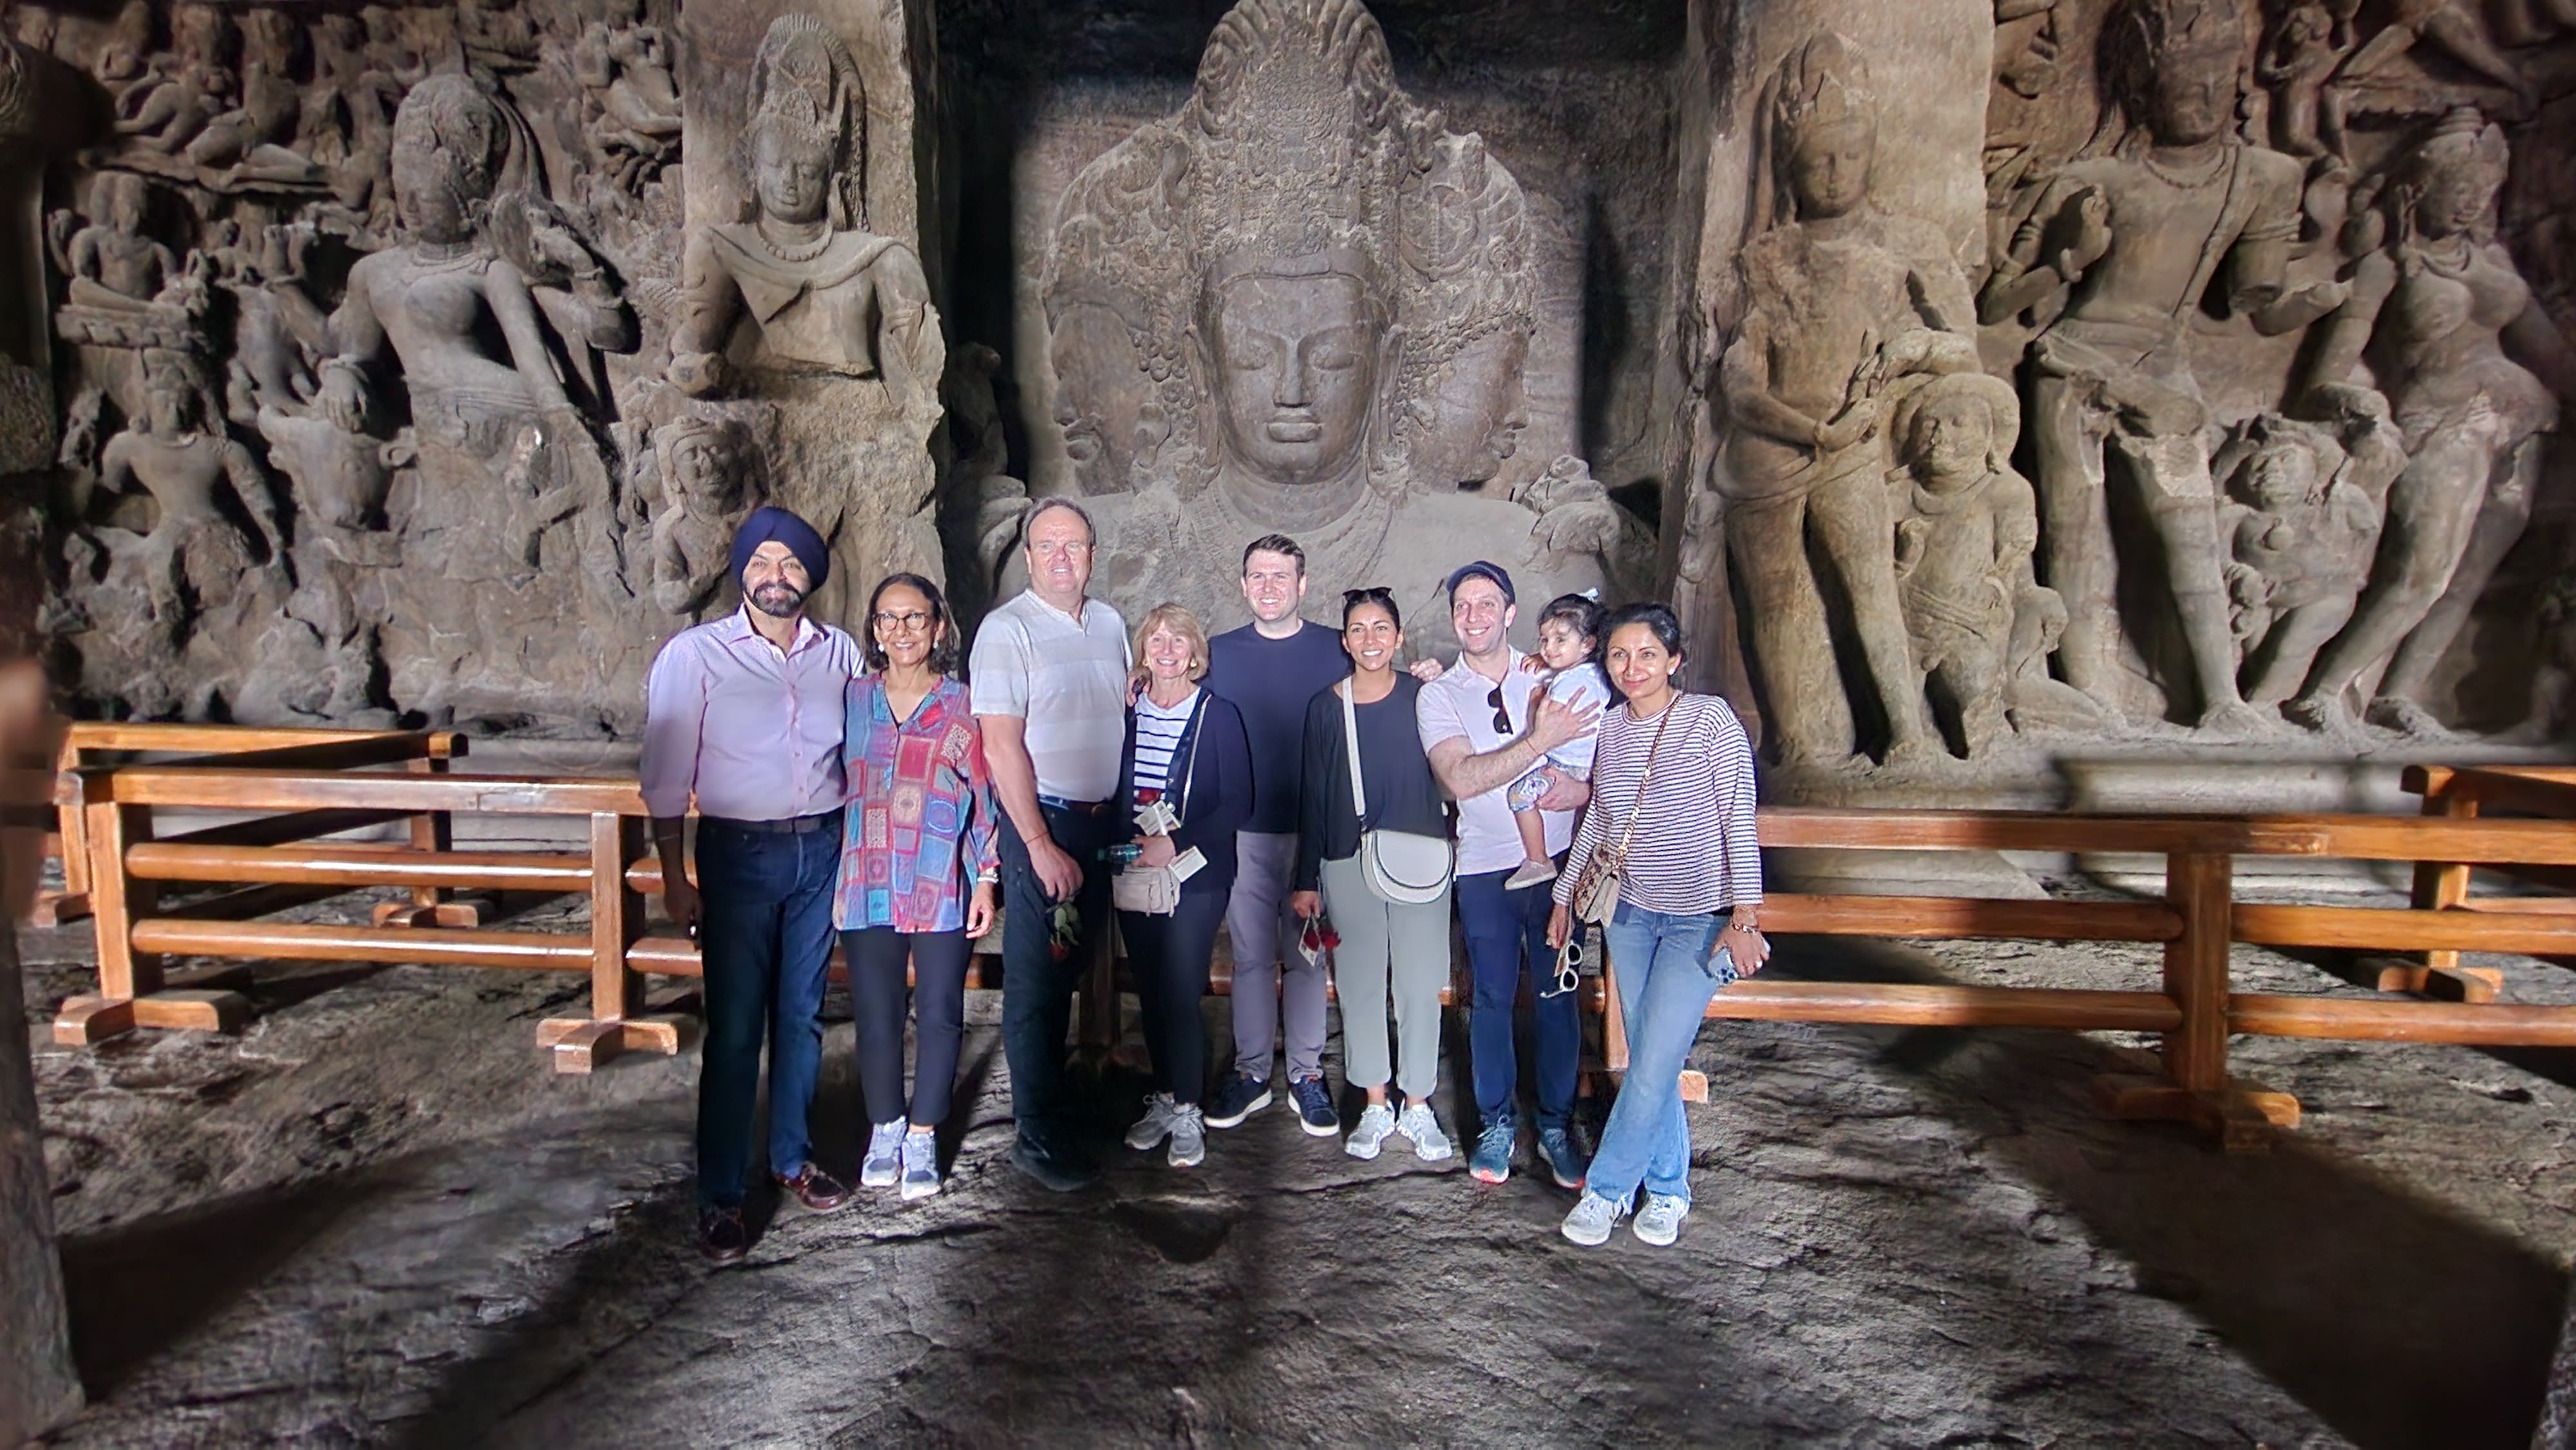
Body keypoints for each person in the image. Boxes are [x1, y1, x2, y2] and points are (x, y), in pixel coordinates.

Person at [641, 506, 860, 1263]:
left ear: (811, 579)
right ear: (742, 572)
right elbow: (665, 777)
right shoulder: (695, 655)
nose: (777, 576)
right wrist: (675, 872)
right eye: (763, 562)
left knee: (801, 1015)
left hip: (821, 847)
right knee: (735, 1029)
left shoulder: (840, 652)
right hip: (738, 852)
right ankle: (722, 1195)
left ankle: (792, 1158)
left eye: (793, 565)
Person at [1549, 604, 1768, 1249]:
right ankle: (1669, 1188)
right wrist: (1565, 896)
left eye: (1646, 654)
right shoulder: (1612, 728)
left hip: (1698, 916)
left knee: (1655, 1056)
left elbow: (1738, 816)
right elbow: (1600, 821)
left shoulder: (1709, 721)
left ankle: (1606, 1189)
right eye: (1619, 655)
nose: (1631, 667)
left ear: (1674, 660)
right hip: (1630, 911)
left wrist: (1745, 913)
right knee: (1653, 1054)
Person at [1417, 561, 1600, 1189]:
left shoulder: (1555, 672)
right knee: (1490, 998)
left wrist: (1579, 786)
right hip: (1483, 869)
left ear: (1510, 612)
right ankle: (1497, 1119)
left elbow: (1602, 755)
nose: (1473, 616)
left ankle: (1555, 1121)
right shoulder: (1438, 693)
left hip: (1559, 870)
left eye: (1486, 604)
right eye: (1462, 606)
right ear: (1452, 617)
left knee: (1558, 995)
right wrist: (1536, 740)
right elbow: (1459, 777)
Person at [969, 497, 1132, 1192]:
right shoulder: (1006, 631)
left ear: (1092, 553)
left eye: (1075, 545)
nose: (1063, 557)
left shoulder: (1110, 622)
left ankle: (1065, 1102)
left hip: (1102, 823)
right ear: (1029, 557)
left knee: (1073, 969)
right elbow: (1001, 743)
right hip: (1048, 822)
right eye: (1048, 545)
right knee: (1037, 983)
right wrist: (1036, 843)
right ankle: (1034, 1133)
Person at [835, 573, 998, 1203]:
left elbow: (986, 796)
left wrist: (986, 877)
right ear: (874, 629)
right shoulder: (850, 698)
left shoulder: (963, 703)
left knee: (939, 1013)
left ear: (938, 625)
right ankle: (885, 1125)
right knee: (876, 1015)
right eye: (887, 619)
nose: (900, 630)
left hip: (940, 880)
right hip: (865, 878)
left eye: (913, 617)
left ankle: (924, 1131)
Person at [1291, 588, 1457, 1162]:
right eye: (1358, 630)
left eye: (1381, 628)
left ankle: (1417, 1105)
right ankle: (1374, 1101)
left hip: (1419, 855)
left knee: (1417, 984)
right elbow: (1312, 795)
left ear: (1399, 636)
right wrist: (1306, 877)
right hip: (1346, 857)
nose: (1370, 640)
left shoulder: (1426, 696)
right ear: (1345, 641)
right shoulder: (1324, 707)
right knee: (1360, 985)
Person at [1202, 535, 1354, 1136]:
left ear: (1303, 585)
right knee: (1250, 958)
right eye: (1257, 576)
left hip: (1315, 830)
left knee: (1308, 957)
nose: (1268, 587)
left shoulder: (1335, 651)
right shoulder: (1215, 654)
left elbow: (1379, 690)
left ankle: (1309, 1075)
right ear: (1242, 586)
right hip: (1242, 832)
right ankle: (1251, 1072)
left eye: (1280, 577)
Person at [1116, 605, 1255, 1167]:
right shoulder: (1129, 712)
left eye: (1179, 640)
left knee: (1178, 988)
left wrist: (1175, 843)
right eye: (1157, 639)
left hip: (1194, 872)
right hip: (1134, 867)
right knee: (1148, 990)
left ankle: (1190, 1109)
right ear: (1143, 649)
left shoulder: (1217, 714)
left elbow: (1238, 801)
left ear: (1195, 652)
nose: (1167, 648)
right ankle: (1167, 1098)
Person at [1503, 594, 1611, 891]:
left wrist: (1537, 702)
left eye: (1560, 640)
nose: (1549, 648)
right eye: (1544, 640)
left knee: (1519, 796)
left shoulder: (1572, 683)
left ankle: (1538, 860)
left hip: (1569, 768)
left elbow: (1545, 728)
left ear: (1588, 644)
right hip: (1585, 765)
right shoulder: (1593, 672)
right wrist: (1546, 663)